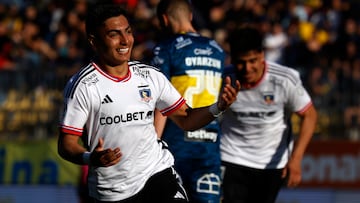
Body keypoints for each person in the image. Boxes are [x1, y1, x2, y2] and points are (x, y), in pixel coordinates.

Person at [57, 3, 240, 203]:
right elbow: (67, 145)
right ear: (94, 41)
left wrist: (218, 106)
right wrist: (91, 158)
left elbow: (187, 120)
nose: (125, 40)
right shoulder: (83, 86)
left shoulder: (150, 76)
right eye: (114, 34)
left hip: (156, 174)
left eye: (128, 31)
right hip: (112, 191)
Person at [220, 26, 317, 203]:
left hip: (271, 164)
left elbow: (309, 115)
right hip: (231, 157)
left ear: (262, 55)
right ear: (232, 59)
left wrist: (295, 159)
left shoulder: (285, 79)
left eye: (253, 60)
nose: (247, 68)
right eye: (241, 62)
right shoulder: (222, 79)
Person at [150, 0, 225, 202]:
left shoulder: (166, 49)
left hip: (176, 146)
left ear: (164, 19)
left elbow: (160, 100)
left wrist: (154, 143)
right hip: (209, 147)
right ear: (190, 16)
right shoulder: (217, 50)